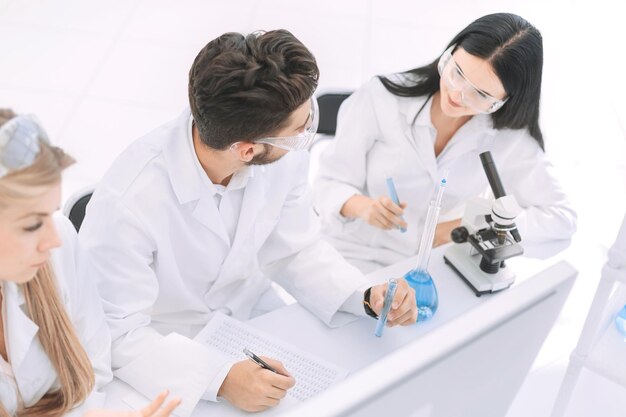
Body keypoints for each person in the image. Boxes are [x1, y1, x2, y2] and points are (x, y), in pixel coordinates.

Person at [78, 30, 417, 413]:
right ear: (247, 149)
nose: (306, 135)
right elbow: (118, 331)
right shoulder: (129, 201)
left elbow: (294, 249)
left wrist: (363, 295)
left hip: (252, 316)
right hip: (165, 351)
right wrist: (219, 378)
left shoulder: (281, 154)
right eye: (299, 131)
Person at [312, 13, 577, 273]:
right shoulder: (381, 97)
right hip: (350, 253)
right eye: (457, 72)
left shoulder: (508, 138)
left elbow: (561, 219)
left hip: (432, 264)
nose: (457, 94)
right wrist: (364, 207)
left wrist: (467, 228)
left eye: (480, 93)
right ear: (450, 52)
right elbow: (327, 183)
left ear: (505, 100)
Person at [0, 110, 180, 417]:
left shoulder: (58, 246)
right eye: (32, 225)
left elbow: (91, 369)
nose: (53, 239)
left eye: (50, 213)